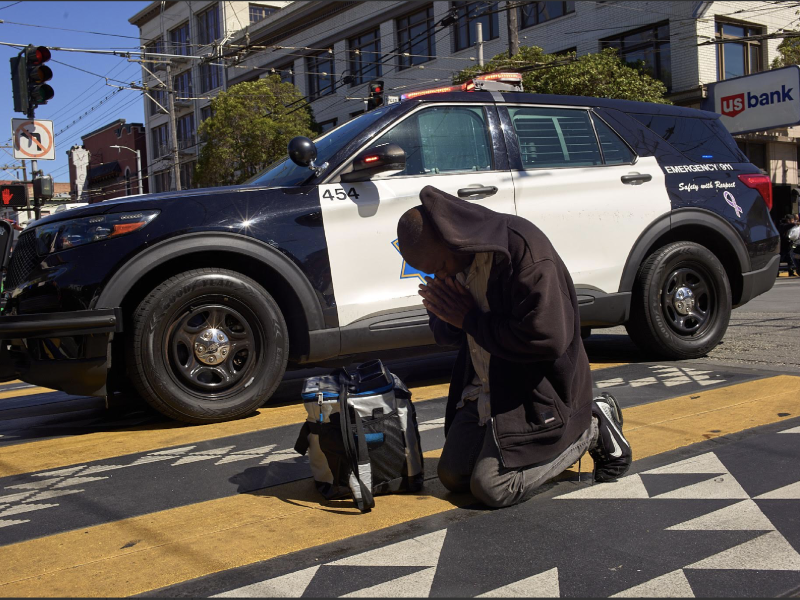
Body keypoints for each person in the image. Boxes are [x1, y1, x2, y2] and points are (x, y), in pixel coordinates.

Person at [396, 186, 632, 508]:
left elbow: (547, 339)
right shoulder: (453, 262)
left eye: (441, 265)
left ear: (454, 239)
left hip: (537, 389)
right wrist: (447, 315)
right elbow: (448, 333)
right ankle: (530, 438)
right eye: (432, 272)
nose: (441, 274)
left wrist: (469, 319)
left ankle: (590, 426)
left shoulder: (522, 251)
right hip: (487, 387)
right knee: (452, 476)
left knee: (493, 488)